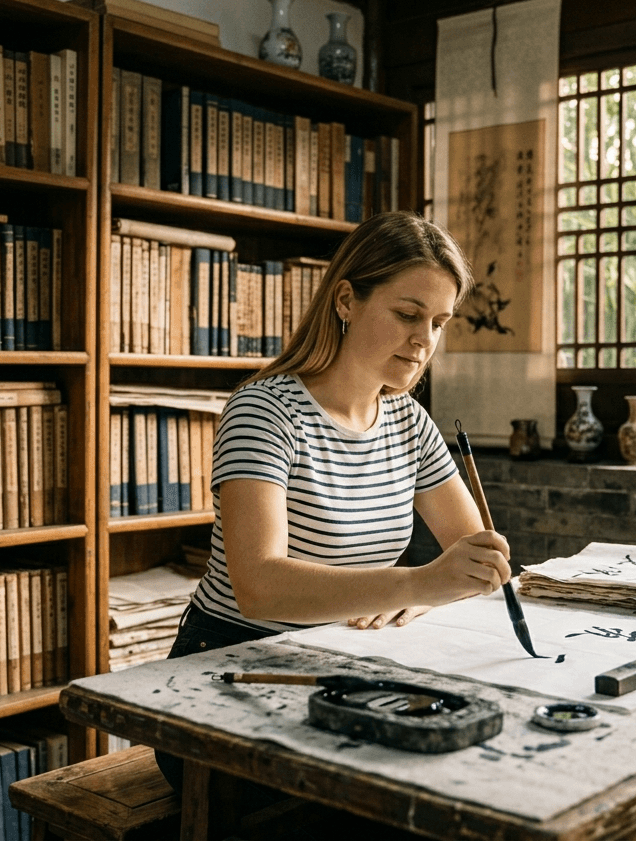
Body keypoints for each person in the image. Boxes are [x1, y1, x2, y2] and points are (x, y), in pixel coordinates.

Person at [156, 211, 512, 795]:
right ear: (346, 300)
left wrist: (424, 595)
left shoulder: (406, 421)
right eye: (407, 314)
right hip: (228, 670)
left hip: (338, 662)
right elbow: (259, 585)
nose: (425, 340)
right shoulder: (265, 411)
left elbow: (472, 562)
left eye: (440, 322)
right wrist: (415, 585)